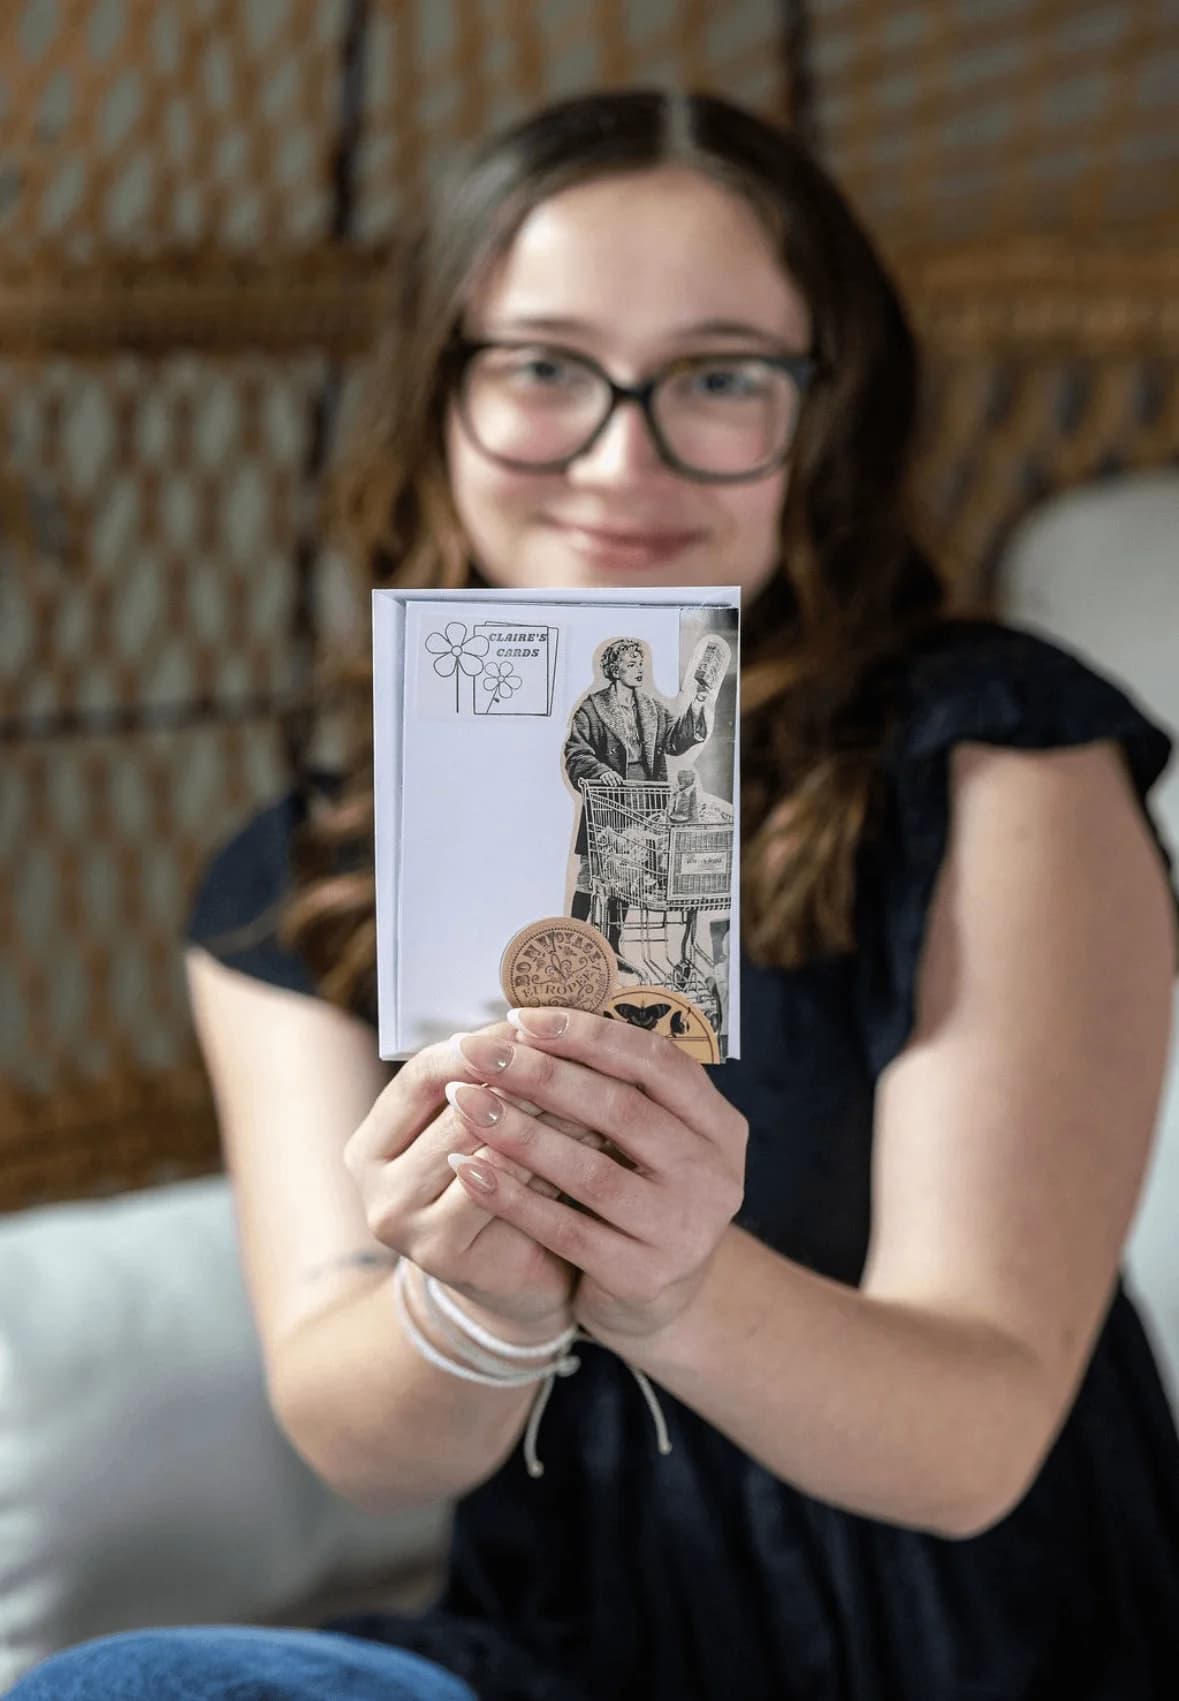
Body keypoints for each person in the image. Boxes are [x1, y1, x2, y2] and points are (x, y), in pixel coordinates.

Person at [15, 87, 1179, 1701]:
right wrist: (469, 1296)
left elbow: (973, 1441)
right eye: (542, 368)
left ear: (816, 419)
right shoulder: (299, 885)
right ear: (441, 396)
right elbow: (359, 1435)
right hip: (570, 1647)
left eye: (715, 377)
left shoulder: (984, 757)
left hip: (974, 1647)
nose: (618, 457)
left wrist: (675, 1283)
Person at [564, 636, 712, 961]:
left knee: (630, 875)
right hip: (608, 803)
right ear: (614, 669)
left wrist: (697, 704)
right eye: (631, 664)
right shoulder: (592, 708)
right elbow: (575, 752)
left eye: (640, 663)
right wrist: (598, 770)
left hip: (645, 803)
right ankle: (572, 940)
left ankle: (612, 947)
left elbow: (675, 742)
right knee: (593, 873)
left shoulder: (652, 709)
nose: (639, 669)